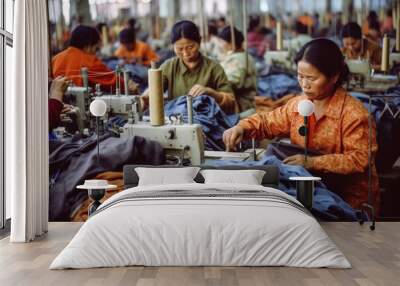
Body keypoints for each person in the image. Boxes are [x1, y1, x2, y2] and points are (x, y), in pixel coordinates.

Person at [223, 38, 380, 212]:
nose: (304, 84)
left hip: (350, 200)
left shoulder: (355, 114)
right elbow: (268, 122)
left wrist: (312, 162)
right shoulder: (298, 104)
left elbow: (359, 159)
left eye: (312, 78)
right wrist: (242, 127)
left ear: (334, 77)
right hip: (312, 190)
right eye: (300, 76)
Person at [143, 20, 236, 114]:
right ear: (173, 46)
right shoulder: (169, 67)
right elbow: (154, 90)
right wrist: (144, 98)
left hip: (206, 121)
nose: (185, 53)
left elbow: (231, 102)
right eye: (179, 49)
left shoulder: (214, 68)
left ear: (199, 42)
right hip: (175, 120)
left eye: (190, 47)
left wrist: (210, 93)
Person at [52, 25, 138, 93]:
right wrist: (128, 85)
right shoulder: (89, 61)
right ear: (88, 46)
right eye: (96, 48)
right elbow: (113, 81)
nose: (95, 54)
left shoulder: (55, 59)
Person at [218, 26, 257, 112]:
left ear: (231, 43)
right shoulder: (239, 56)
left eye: (222, 42)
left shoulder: (238, 60)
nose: (220, 45)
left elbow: (231, 82)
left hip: (242, 106)